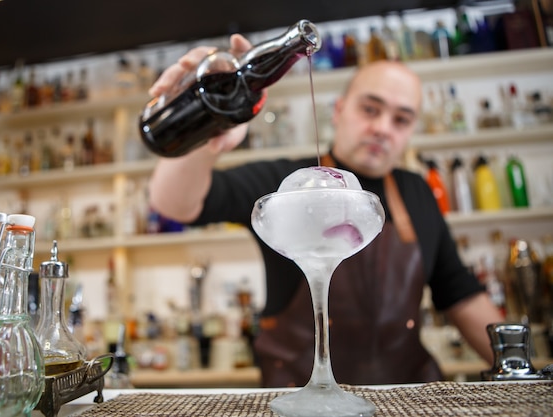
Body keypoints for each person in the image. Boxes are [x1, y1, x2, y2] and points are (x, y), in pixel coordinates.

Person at [146, 33, 504, 387]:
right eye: (370, 109)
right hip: (297, 399)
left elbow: (461, 296)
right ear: (339, 110)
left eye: (401, 119)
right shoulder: (285, 183)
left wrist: (519, 369)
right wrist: (206, 122)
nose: (382, 128)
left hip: (401, 397)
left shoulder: (417, 191)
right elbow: (172, 202)